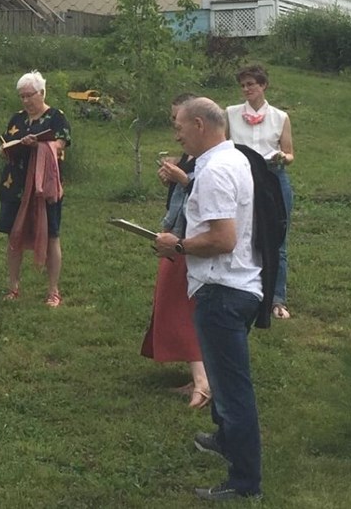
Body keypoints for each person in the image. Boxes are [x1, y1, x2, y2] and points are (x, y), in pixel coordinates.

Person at [155, 98, 263, 502]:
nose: (177, 135)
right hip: (237, 285)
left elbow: (223, 239)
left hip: (222, 291)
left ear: (199, 124)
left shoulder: (215, 171)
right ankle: (226, 438)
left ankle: (244, 482)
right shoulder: (233, 159)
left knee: (233, 391)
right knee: (222, 378)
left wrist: (178, 245)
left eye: (179, 127)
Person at [142, 93, 210, 409]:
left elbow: (206, 196)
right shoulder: (190, 153)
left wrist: (182, 179)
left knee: (182, 306)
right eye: (173, 120)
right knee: (172, 302)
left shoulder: (211, 157)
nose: (175, 128)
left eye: (178, 120)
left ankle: (203, 382)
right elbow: (184, 194)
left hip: (191, 240)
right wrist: (172, 179)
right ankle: (200, 375)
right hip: (177, 234)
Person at [225, 65, 296, 319]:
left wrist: (282, 157)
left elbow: (290, 153)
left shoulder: (280, 117)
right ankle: (240, 289)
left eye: (251, 85)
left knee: (277, 239)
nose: (246, 90)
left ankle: (277, 298)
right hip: (241, 176)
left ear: (263, 85)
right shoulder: (231, 114)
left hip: (272, 177)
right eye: (243, 85)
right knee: (241, 234)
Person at [0, 70, 71, 306]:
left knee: (51, 235)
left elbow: (59, 145)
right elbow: (6, 143)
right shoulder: (17, 119)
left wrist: (39, 144)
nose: (26, 100)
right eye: (22, 96)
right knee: (13, 235)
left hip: (44, 188)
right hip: (14, 184)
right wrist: (6, 149)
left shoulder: (56, 117)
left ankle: (53, 291)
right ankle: (13, 287)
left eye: (30, 95)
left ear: (42, 92)